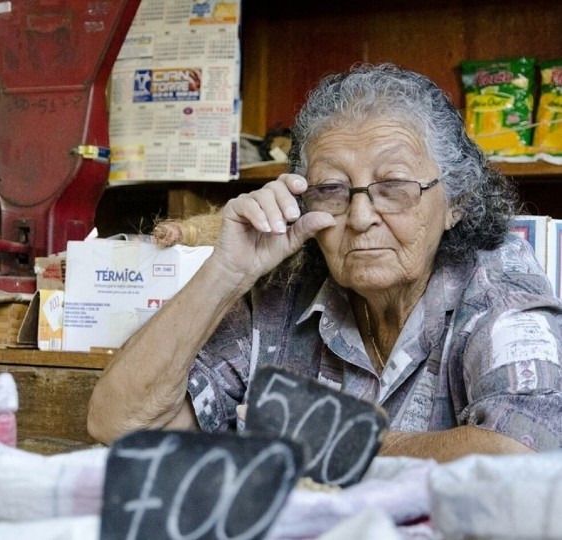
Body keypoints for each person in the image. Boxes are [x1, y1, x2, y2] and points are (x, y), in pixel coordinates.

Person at [87, 63, 562, 461]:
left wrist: (335, 441)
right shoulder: (282, 293)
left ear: (455, 200)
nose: (359, 217)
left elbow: (525, 454)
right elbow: (120, 424)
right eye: (331, 190)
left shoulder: (498, 285)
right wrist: (226, 272)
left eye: (393, 186)